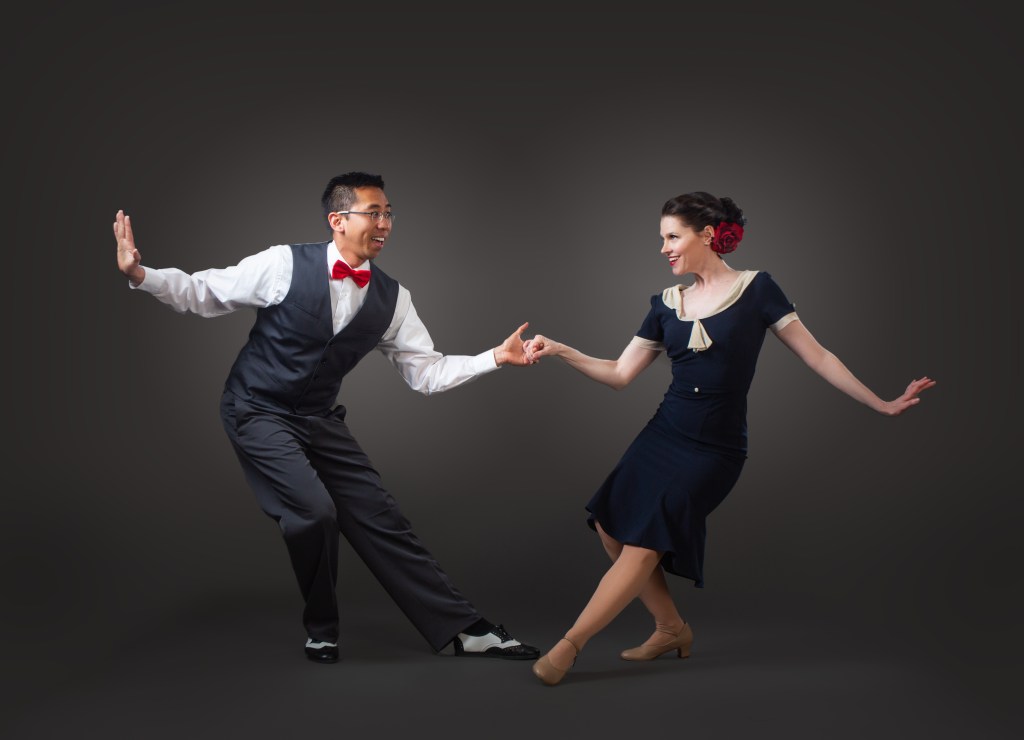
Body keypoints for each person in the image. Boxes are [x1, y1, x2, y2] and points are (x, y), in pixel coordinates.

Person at [113, 172, 540, 664]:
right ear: (338, 220)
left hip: (318, 418)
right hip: (256, 407)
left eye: (388, 214)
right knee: (314, 512)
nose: (385, 224)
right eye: (373, 213)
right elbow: (203, 293)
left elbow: (426, 373)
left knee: (380, 516)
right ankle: (321, 628)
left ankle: (465, 630)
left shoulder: (394, 299)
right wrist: (140, 274)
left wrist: (494, 357)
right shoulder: (282, 263)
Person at [522, 191, 936, 686]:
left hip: (714, 449)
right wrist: (561, 350)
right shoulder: (665, 305)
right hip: (663, 433)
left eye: (672, 237)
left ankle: (569, 646)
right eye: (662, 239)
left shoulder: (757, 289)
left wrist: (881, 402)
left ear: (707, 234)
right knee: (611, 526)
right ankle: (671, 629)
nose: (663, 248)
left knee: (646, 540)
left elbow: (818, 355)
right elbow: (619, 374)